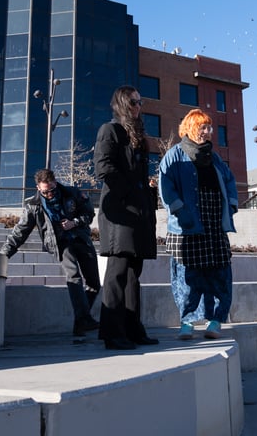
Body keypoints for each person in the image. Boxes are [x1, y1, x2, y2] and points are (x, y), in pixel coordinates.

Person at [159, 108, 238, 340]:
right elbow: (166, 185)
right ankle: (187, 321)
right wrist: (179, 209)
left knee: (219, 272)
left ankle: (215, 320)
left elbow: (229, 180)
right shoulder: (174, 155)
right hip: (187, 224)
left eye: (209, 127)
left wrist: (231, 205)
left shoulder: (215, 158)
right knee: (187, 275)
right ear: (191, 128)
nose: (208, 131)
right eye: (203, 127)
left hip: (213, 222)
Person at [93, 85, 159, 350]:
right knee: (118, 271)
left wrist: (146, 197)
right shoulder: (109, 130)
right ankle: (112, 333)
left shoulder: (137, 136)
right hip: (120, 214)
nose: (138, 106)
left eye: (140, 101)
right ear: (122, 103)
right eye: (133, 102)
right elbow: (103, 167)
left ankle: (133, 329)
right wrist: (129, 194)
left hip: (139, 213)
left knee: (133, 273)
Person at [0, 168, 101, 337]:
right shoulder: (33, 205)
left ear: (55, 183)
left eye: (52, 190)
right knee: (74, 276)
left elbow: (89, 214)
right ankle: (84, 319)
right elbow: (20, 232)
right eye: (45, 192)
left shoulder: (72, 193)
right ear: (38, 188)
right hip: (61, 244)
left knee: (94, 283)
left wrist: (74, 222)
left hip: (81, 239)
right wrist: (3, 255)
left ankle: (81, 322)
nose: (49, 195)